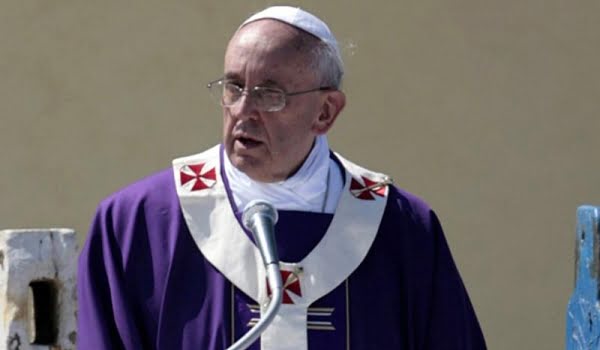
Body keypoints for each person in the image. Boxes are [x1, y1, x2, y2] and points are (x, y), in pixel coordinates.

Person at [77, 6, 486, 350]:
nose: (242, 110)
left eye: (270, 94)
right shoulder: (139, 224)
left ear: (326, 112)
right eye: (234, 87)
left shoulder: (401, 229)